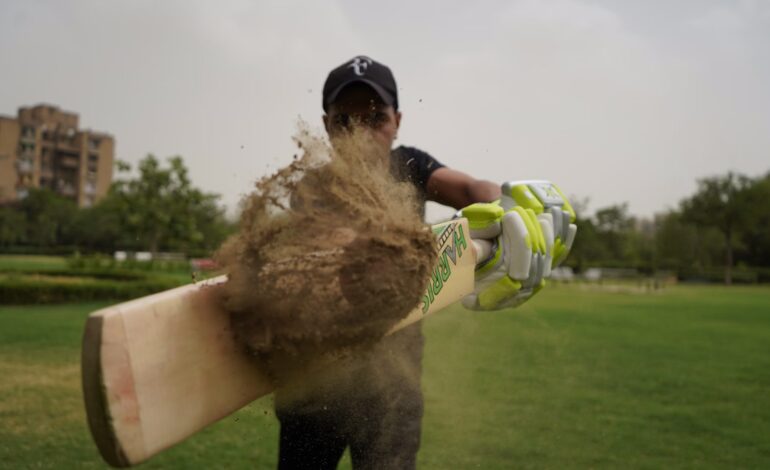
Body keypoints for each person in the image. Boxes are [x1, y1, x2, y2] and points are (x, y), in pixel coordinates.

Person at [274, 55, 575, 469]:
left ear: (397, 121)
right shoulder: (312, 188)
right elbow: (337, 248)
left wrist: (507, 206)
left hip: (392, 390)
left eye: (375, 117)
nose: (361, 133)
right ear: (326, 125)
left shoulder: (410, 164)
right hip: (314, 385)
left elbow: (470, 187)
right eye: (345, 121)